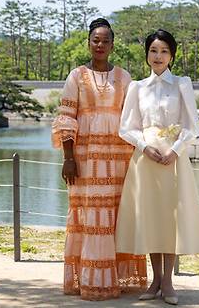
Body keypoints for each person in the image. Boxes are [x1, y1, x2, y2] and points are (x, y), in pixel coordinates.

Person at [51, 18, 147, 301]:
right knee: (90, 218)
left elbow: (134, 119)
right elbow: (67, 119)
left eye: (105, 40)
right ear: (88, 43)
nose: (100, 45)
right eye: (96, 40)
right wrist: (68, 158)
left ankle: (115, 279)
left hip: (119, 160)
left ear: (113, 44)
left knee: (117, 216)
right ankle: (91, 281)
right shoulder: (76, 76)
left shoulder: (125, 78)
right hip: (85, 160)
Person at [116, 29, 199, 305]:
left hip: (173, 160)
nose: (158, 56)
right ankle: (154, 280)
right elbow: (126, 127)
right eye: (154, 51)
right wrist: (145, 147)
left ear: (172, 55)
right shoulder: (137, 87)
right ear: (147, 54)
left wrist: (175, 151)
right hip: (145, 160)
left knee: (170, 220)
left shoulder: (181, 84)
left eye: (164, 51)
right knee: (150, 219)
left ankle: (168, 281)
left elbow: (193, 126)